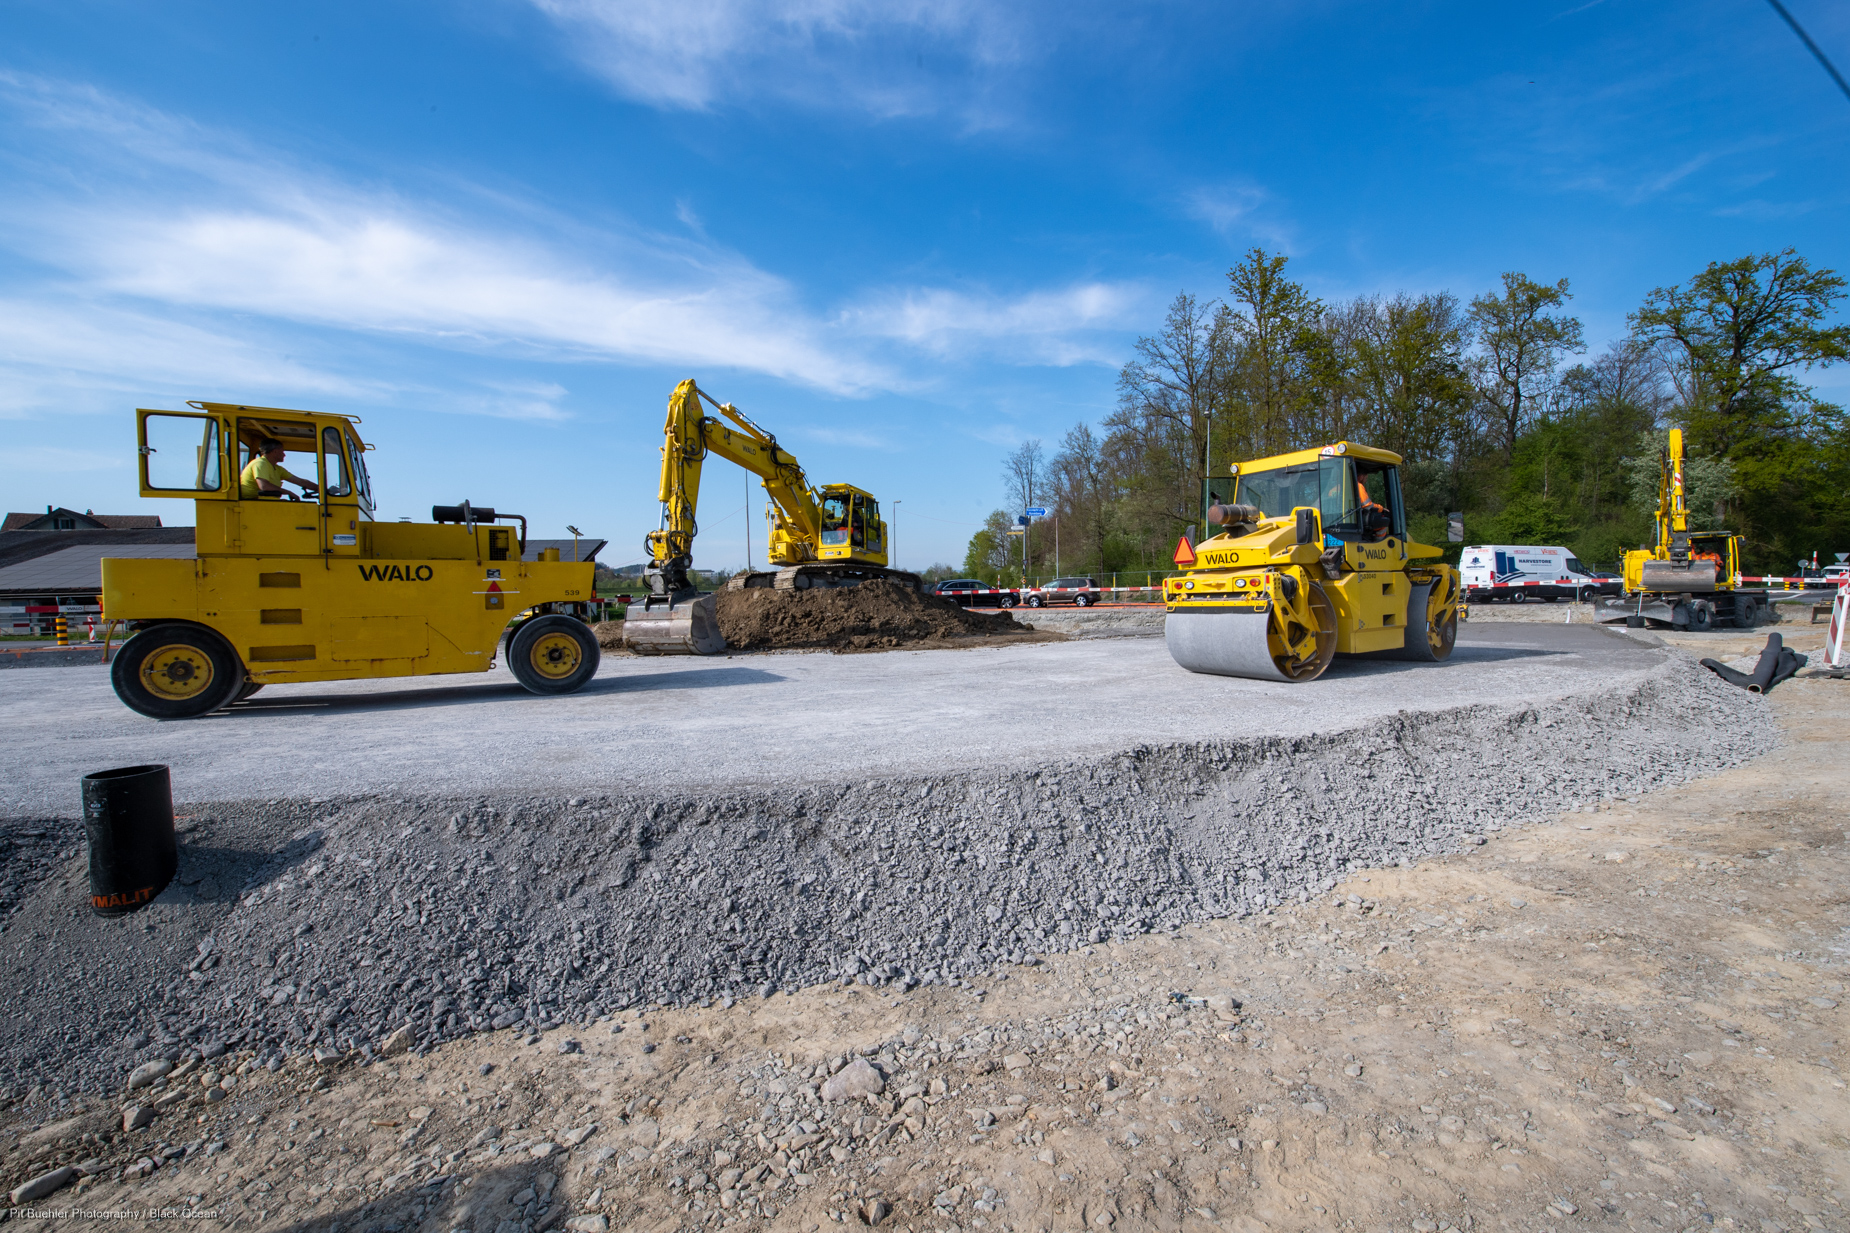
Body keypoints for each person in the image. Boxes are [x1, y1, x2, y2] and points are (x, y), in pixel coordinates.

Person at [239, 438, 318, 500]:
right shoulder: (260, 464)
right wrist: (288, 492)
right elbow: (264, 486)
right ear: (275, 452)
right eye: (282, 451)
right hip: (250, 502)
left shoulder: (277, 469)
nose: (284, 455)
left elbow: (300, 481)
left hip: (263, 502)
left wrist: (322, 490)